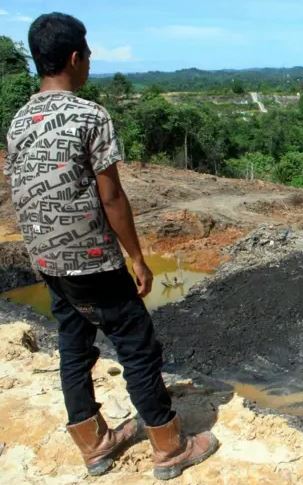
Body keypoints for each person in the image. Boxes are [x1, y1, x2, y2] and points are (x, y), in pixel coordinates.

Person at [3, 12, 217, 479]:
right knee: (137, 348)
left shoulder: (19, 120)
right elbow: (112, 196)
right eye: (89, 53)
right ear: (76, 57)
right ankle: (169, 446)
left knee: (74, 347)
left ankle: (95, 445)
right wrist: (137, 258)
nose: (90, 60)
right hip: (93, 260)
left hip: (47, 260)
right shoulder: (89, 115)